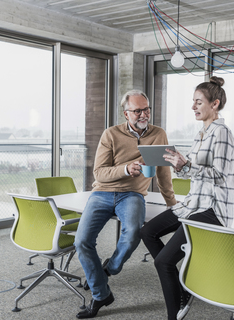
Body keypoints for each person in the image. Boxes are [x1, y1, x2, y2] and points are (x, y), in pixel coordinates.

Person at [74, 89, 177, 319]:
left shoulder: (159, 134)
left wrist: (172, 204)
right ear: (126, 113)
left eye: (146, 109)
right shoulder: (111, 134)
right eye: (138, 110)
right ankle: (101, 294)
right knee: (82, 242)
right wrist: (125, 169)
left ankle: (110, 268)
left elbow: (163, 173)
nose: (144, 114)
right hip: (102, 193)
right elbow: (99, 173)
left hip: (132, 194)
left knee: (132, 235)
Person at [140, 76, 234, 320]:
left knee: (163, 262)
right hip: (193, 203)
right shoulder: (200, 134)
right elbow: (195, 170)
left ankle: (176, 310)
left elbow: (220, 176)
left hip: (212, 209)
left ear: (214, 104)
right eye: (193, 102)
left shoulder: (222, 133)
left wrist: (187, 165)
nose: (193, 107)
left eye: (198, 102)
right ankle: (180, 286)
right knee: (147, 232)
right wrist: (179, 163)